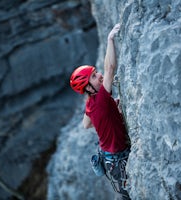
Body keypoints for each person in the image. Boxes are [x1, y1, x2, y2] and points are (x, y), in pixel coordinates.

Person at [69, 23, 131, 200]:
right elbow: (110, 68)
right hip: (119, 158)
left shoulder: (91, 103)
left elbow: (86, 124)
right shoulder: (101, 99)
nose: (100, 76)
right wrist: (110, 39)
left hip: (109, 157)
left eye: (96, 72)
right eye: (94, 77)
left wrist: (111, 112)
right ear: (88, 88)